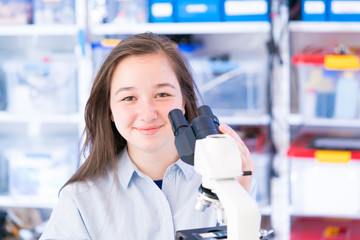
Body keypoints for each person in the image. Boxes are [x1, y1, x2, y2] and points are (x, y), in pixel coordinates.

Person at [40, 32, 257, 239]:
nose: (148, 113)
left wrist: (241, 196)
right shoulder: (81, 200)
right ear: (109, 110)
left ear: (183, 101)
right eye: (129, 98)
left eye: (162, 94)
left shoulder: (228, 180)